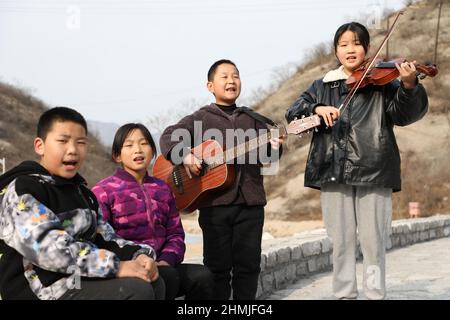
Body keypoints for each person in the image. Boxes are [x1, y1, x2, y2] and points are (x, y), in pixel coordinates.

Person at [285, 22, 428, 300]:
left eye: (357, 43)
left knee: (374, 242)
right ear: (336, 50)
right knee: (341, 242)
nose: (351, 49)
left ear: (367, 48)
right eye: (344, 44)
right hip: (332, 171)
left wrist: (410, 84)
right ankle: (344, 294)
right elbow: (292, 114)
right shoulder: (321, 85)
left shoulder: (385, 83)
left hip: (374, 168)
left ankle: (375, 294)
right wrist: (316, 107)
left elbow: (405, 114)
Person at [0, 107, 164, 300]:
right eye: (63, 141)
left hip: (78, 277)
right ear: (40, 146)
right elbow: (50, 250)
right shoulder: (24, 189)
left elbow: (106, 237)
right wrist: (116, 266)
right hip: (41, 289)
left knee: (156, 280)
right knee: (136, 289)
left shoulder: (83, 193)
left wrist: (139, 256)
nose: (72, 150)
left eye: (80, 142)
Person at [159, 59, 284, 300]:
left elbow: (267, 158)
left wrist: (276, 147)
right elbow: (167, 138)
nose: (231, 81)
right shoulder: (200, 119)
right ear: (210, 86)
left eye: (235, 76)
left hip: (251, 203)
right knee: (217, 268)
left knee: (249, 266)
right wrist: (186, 155)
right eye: (224, 76)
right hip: (213, 205)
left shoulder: (255, 120)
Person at [92, 123, 214, 300]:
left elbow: (175, 234)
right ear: (117, 155)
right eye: (129, 145)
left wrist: (166, 261)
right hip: (128, 266)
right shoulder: (103, 191)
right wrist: (137, 262)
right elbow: (102, 240)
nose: (138, 150)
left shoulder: (162, 188)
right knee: (167, 278)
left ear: (152, 150)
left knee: (202, 276)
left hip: (163, 263)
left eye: (144, 143)